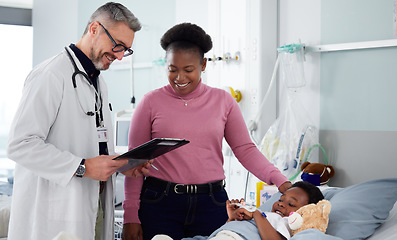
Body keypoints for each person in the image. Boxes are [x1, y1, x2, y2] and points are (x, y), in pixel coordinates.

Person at [122, 22, 292, 240]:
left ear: (203, 65)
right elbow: (134, 163)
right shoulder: (150, 102)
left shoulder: (223, 101)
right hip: (160, 202)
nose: (179, 78)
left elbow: (245, 149)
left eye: (188, 70)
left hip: (211, 203)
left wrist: (280, 180)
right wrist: (130, 216)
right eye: (172, 70)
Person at [6, 2, 148, 240]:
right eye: (118, 46)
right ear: (94, 28)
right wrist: (82, 166)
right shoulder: (50, 75)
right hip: (56, 212)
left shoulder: (98, 81)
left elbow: (93, 145)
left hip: (96, 205)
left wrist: (121, 167)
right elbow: (20, 144)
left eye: (126, 50)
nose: (120, 56)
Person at [153, 181, 324, 240]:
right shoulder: (268, 215)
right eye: (281, 200)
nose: (281, 204)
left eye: (291, 204)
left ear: (304, 212)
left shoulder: (286, 222)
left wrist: (256, 213)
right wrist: (232, 219)